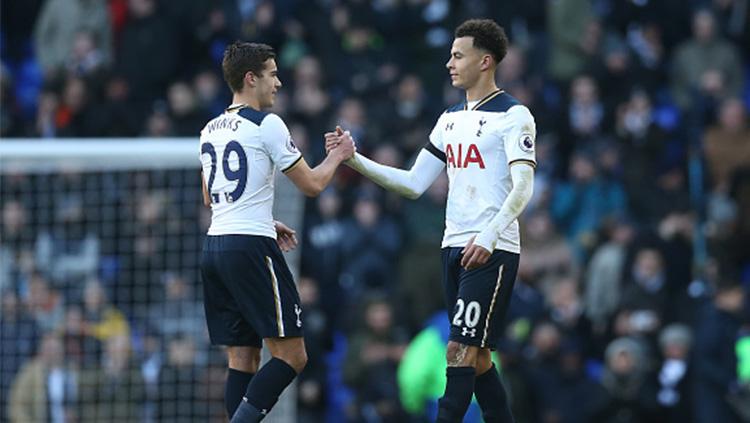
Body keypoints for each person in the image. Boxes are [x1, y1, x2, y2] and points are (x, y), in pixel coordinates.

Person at [326, 19, 536, 423]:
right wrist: (354, 159)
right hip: (452, 245)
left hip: (491, 250)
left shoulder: (514, 115)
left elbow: (523, 188)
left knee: (457, 351)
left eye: (458, 55)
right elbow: (412, 183)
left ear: (486, 60)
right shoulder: (449, 119)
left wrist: (489, 237)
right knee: (477, 359)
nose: (449, 63)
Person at [199, 41, 355, 422]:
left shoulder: (209, 129)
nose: (279, 83)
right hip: (250, 250)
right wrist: (339, 154)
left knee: (243, 357)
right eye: (272, 74)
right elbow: (313, 185)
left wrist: (264, 220)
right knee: (292, 355)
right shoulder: (266, 123)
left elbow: (211, 197)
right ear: (251, 79)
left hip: (216, 247)